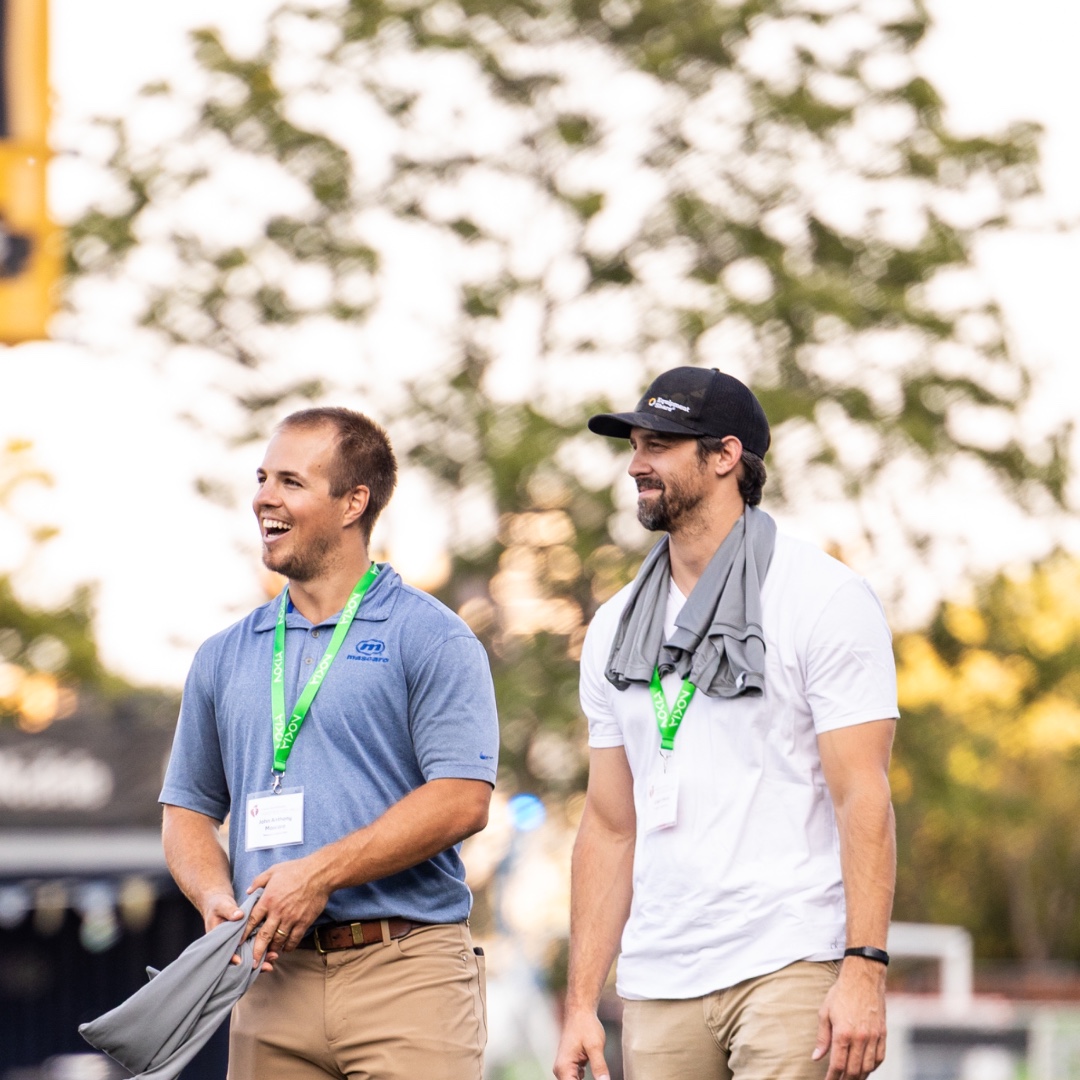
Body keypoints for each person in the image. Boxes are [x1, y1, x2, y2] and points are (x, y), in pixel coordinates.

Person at [553, 367, 898, 1080]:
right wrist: (582, 1001)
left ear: (725, 456)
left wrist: (864, 968)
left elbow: (862, 794)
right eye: (636, 445)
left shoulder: (824, 598)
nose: (636, 464)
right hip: (658, 977)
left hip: (791, 958)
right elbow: (610, 824)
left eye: (659, 445)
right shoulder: (614, 627)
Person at [159, 406, 498, 1080]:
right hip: (269, 983)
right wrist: (212, 896)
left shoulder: (431, 636)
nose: (263, 497)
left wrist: (318, 874)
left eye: (290, 481)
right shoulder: (223, 655)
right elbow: (187, 812)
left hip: (405, 972)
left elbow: (462, 800)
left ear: (354, 502)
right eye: (261, 478)